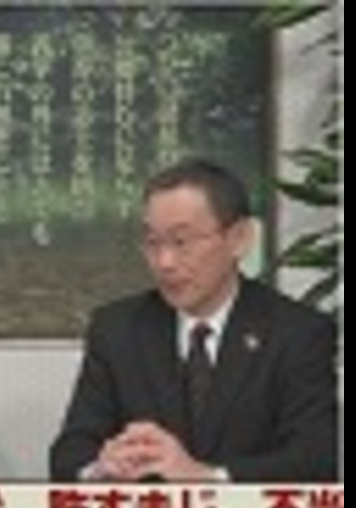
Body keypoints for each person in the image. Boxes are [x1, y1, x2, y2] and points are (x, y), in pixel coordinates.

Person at [50, 158, 339, 483]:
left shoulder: (297, 332)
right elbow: (69, 454)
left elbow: (316, 458)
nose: (165, 262)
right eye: (153, 242)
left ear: (239, 239)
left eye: (181, 242)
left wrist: (208, 477)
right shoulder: (117, 329)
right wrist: (101, 468)